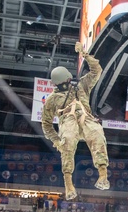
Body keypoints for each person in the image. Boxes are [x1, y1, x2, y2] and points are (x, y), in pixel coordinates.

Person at [41, 42, 109, 198]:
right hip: (68, 121)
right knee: (68, 141)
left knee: (97, 133)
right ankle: (68, 184)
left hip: (86, 118)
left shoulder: (81, 86)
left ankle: (103, 174)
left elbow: (96, 70)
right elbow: (46, 124)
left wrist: (84, 54)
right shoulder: (52, 99)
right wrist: (56, 140)